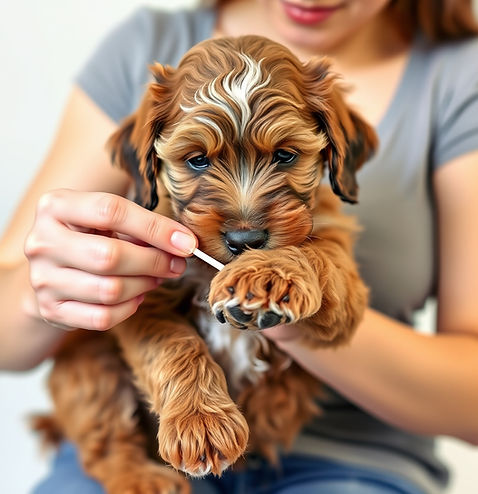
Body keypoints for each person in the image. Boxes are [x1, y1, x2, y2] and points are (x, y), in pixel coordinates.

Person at [1, 0, 477, 493]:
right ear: (147, 163)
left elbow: (343, 314)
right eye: (199, 161)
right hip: (146, 439)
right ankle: (115, 460)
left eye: (285, 155)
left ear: (337, 151)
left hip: (348, 458)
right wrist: (37, 290)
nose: (245, 220)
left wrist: (294, 287)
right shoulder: (141, 48)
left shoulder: (458, 75)